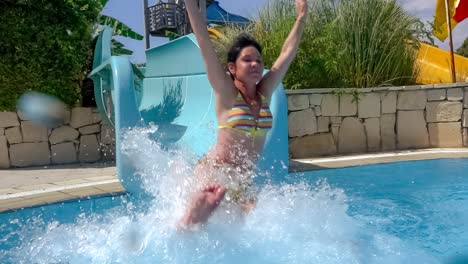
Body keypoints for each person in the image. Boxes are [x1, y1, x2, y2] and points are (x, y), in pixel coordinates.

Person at [179, 0, 308, 228]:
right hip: (214, 172)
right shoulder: (226, 92)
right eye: (247, 60)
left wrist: (301, 16)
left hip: (242, 179)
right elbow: (205, 44)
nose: (255, 64)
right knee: (198, 222)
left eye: (258, 60)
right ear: (232, 68)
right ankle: (182, 227)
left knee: (257, 226)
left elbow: (288, 52)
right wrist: (192, 8)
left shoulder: (264, 93)